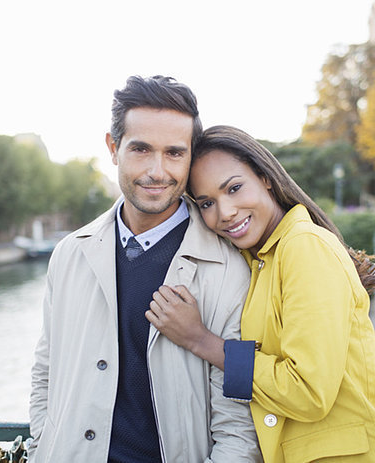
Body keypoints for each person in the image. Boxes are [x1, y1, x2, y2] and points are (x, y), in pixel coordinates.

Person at [28, 78, 262, 462]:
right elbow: (45, 374)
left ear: (190, 157)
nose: (157, 171)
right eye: (141, 149)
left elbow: (238, 421)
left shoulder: (229, 269)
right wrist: (43, 448)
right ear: (113, 148)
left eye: (174, 153)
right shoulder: (68, 254)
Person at [147, 125, 375, 463]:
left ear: (266, 178)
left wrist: (201, 340)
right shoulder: (258, 260)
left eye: (235, 188)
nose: (225, 212)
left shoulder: (303, 246)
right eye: (207, 203)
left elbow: (308, 391)